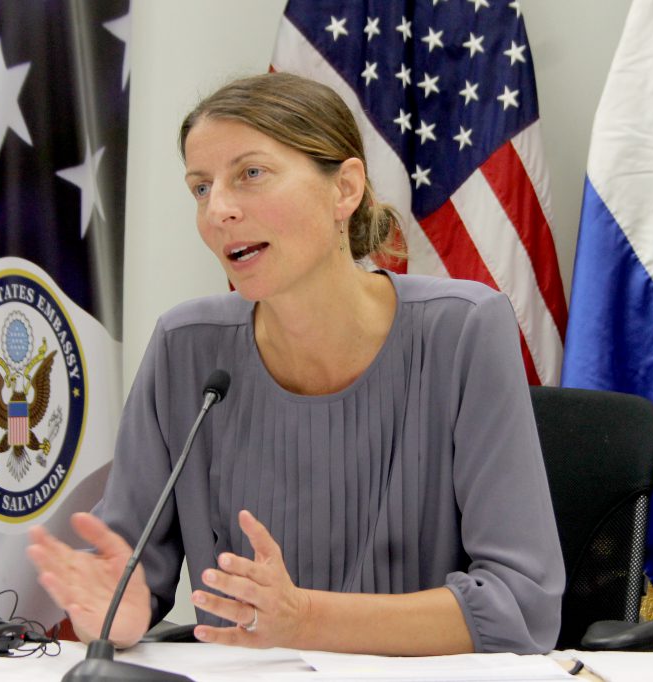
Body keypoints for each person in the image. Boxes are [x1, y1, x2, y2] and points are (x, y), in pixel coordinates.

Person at [27, 72, 564, 656]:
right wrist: (114, 614)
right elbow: (121, 577)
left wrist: (304, 620)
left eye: (251, 174)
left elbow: (521, 607)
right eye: (201, 188)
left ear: (345, 189)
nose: (218, 210)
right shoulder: (185, 347)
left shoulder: (463, 330)